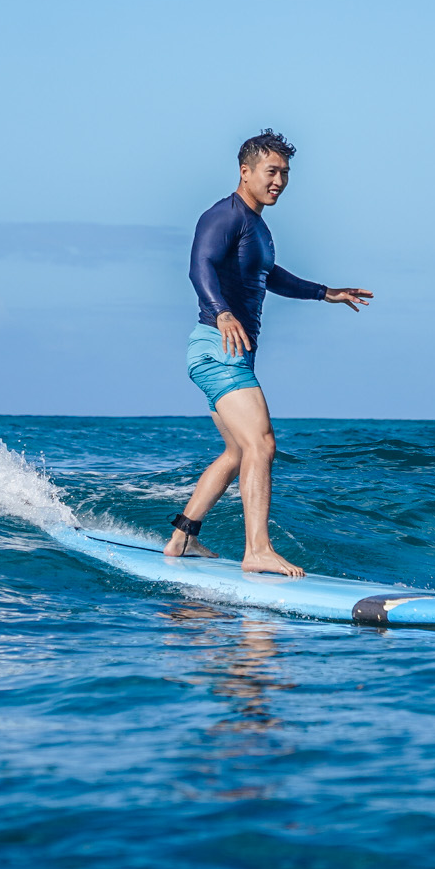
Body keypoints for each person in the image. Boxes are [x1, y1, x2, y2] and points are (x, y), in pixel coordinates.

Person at [166, 129, 372, 576]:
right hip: (217, 348)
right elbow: (198, 264)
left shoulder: (256, 225)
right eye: (271, 171)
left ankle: (181, 537)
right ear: (246, 172)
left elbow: (270, 276)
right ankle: (257, 550)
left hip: (226, 352)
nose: (279, 181)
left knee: (238, 453)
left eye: (285, 173)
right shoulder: (224, 215)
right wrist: (221, 312)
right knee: (262, 443)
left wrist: (324, 293)